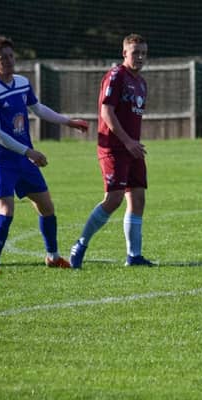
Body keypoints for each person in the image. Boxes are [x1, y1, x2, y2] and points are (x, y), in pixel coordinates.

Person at [0, 36, 89, 275]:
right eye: (2, 58)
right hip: (2, 161)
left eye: (10, 56)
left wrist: (68, 122)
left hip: (24, 158)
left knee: (47, 207)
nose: (8, 61)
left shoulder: (22, 82)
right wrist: (29, 151)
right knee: (6, 211)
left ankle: (52, 256)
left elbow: (38, 109)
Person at [69, 33, 153, 268]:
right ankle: (81, 244)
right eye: (135, 52)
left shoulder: (141, 83)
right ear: (124, 53)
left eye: (144, 53)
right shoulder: (116, 76)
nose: (140, 57)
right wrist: (127, 141)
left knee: (137, 199)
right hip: (115, 146)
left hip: (132, 147)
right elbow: (107, 112)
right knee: (114, 199)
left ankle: (134, 256)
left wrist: (132, 143)